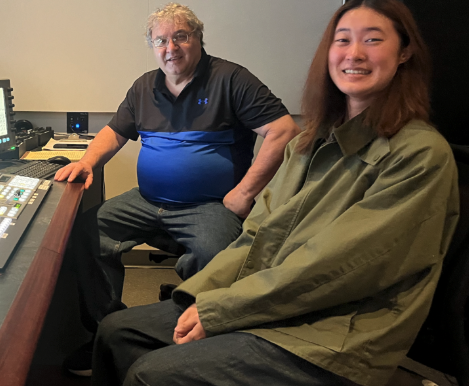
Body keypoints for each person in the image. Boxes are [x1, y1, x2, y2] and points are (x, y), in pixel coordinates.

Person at [92, 0, 460, 385]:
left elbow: (333, 267)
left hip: (331, 335)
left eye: (372, 40)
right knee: (118, 334)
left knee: (150, 374)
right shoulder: (313, 140)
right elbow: (258, 234)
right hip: (269, 301)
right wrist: (202, 295)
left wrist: (221, 310)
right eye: (342, 40)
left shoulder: (419, 154)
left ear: (404, 52)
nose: (354, 53)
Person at [55, 3, 300, 375]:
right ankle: (106, 331)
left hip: (208, 206)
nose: (171, 48)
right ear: (153, 46)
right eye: (161, 40)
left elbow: (283, 130)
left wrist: (245, 192)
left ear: (198, 39)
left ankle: (191, 347)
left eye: (180, 37)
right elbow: (115, 132)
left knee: (214, 252)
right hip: (147, 200)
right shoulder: (144, 86)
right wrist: (88, 161)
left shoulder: (231, 79)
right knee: (88, 232)